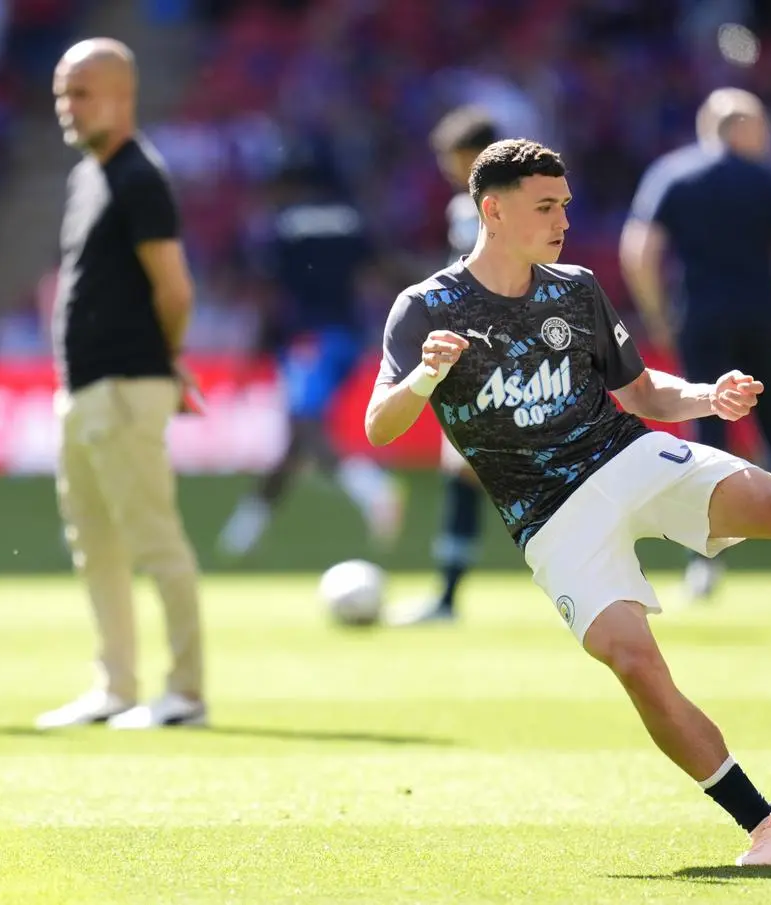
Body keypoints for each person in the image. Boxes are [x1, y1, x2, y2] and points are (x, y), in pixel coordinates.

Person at [365, 138, 771, 867]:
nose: (562, 219)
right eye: (545, 206)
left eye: (564, 204)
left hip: (625, 455)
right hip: (549, 517)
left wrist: (704, 395)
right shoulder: (426, 307)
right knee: (633, 662)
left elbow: (642, 391)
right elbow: (381, 424)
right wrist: (425, 379)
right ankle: (765, 827)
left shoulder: (575, 287)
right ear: (492, 211)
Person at [36, 38, 206, 730]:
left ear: (121, 95)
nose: (67, 108)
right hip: (82, 389)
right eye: (60, 94)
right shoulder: (89, 175)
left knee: (154, 541)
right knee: (96, 544)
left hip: (126, 384)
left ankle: (186, 692)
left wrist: (164, 359)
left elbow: (174, 288)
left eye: (80, 92)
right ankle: (116, 685)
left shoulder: (139, 177)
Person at [620, 87, 771, 601]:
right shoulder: (764, 179)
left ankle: (704, 562)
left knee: (709, 433)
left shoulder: (673, 175)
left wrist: (658, 315)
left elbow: (640, 251)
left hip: (702, 317)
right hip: (759, 315)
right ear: (738, 127)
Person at [216, 157, 402, 558]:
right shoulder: (351, 218)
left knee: (306, 427)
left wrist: (255, 351)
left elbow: (269, 292)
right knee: (297, 439)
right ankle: (244, 531)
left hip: (307, 340)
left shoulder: (280, 224)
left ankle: (374, 490)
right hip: (347, 337)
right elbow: (379, 271)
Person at [390, 106, 499, 626]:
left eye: (449, 157)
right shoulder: (514, 205)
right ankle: (448, 596)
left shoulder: (482, 207)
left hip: (493, 358)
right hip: (485, 354)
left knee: (473, 471)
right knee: (464, 471)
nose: (445, 168)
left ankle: (448, 598)